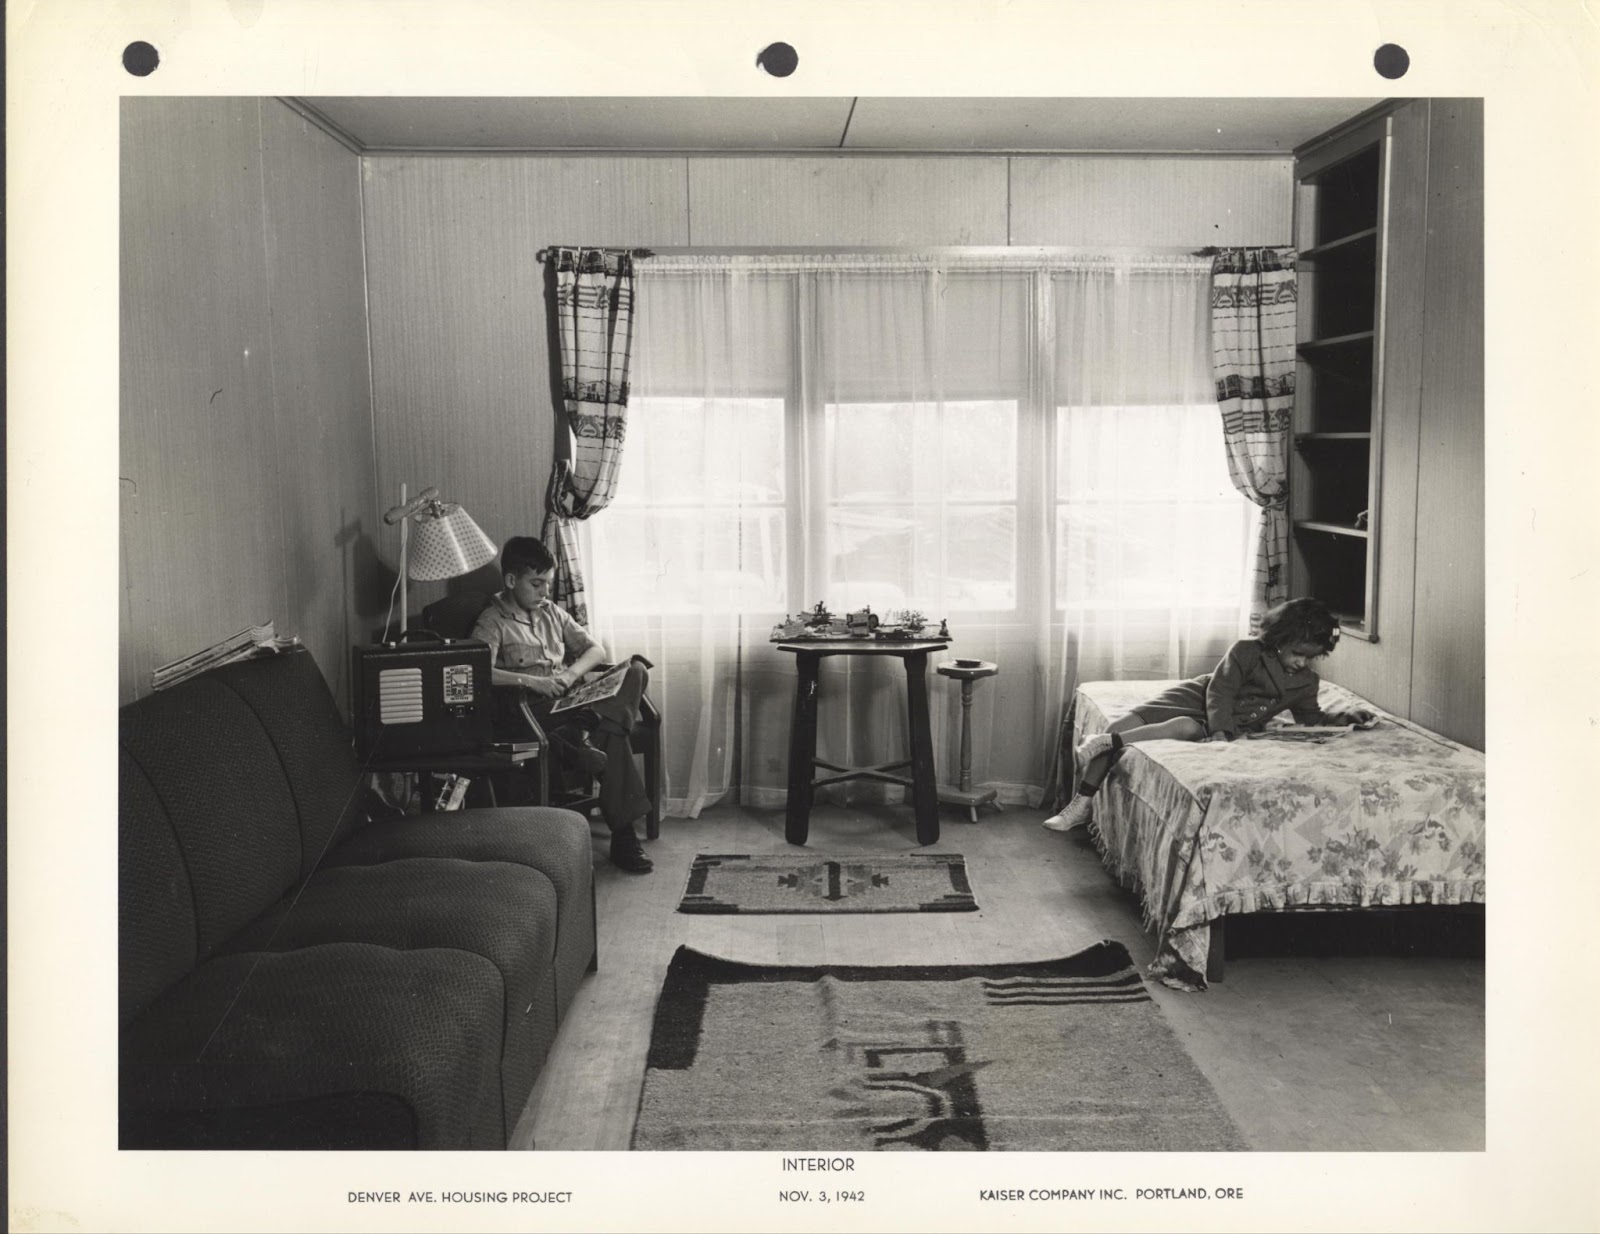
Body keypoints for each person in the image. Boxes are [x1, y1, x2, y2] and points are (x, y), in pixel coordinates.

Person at [1042, 597, 1378, 834]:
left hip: (1220, 720)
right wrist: (1219, 731)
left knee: (1186, 729)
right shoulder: (1247, 650)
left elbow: (1311, 719)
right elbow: (1221, 691)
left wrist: (1346, 717)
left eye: (1311, 658)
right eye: (1298, 654)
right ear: (1281, 639)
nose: (1302, 663)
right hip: (1199, 697)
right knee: (1122, 725)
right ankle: (1082, 802)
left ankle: (1105, 743)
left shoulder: (1306, 681)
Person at [471, 536, 656, 874]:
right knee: (614, 737)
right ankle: (624, 837)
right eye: (536, 583)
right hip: (530, 713)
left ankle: (582, 730)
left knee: (636, 669)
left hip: (569, 704)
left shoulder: (552, 613)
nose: (544, 592)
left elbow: (596, 650)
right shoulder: (492, 620)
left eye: (548, 584)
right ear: (512, 581)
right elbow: (476, 671)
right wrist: (532, 681)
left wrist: (571, 675)